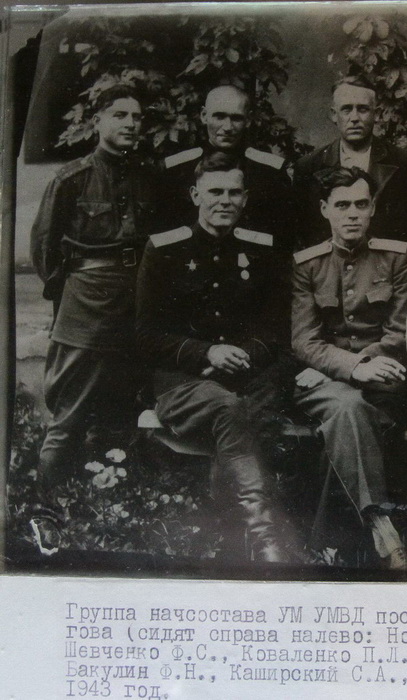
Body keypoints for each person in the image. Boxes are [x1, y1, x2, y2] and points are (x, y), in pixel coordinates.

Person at [136, 152, 294, 564]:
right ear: (195, 195)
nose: (224, 201)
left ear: (245, 198)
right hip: (183, 385)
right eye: (215, 192)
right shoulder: (164, 249)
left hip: (246, 376)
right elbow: (145, 335)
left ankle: (228, 543)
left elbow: (276, 329)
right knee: (229, 407)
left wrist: (243, 356)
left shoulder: (261, 250)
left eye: (233, 193)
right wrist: (206, 352)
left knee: (251, 410)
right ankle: (265, 538)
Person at [29, 85, 160, 552]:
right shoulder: (72, 178)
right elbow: (45, 250)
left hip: (136, 302)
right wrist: (72, 297)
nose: (130, 124)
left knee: (122, 407)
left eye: (136, 117)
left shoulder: (148, 177)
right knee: (70, 410)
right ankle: (44, 513)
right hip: (86, 304)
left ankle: (110, 508)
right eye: (119, 114)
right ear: (98, 121)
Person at [291, 166, 407, 569]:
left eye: (361, 205)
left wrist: (354, 366)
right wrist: (350, 367)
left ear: (373, 209)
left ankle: (329, 543)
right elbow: (304, 340)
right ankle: (384, 531)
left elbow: (401, 331)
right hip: (325, 382)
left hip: (382, 378)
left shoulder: (396, 258)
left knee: (351, 415)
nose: (352, 214)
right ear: (324, 209)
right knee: (348, 408)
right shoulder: (308, 264)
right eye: (342, 205)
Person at [292, 75, 407, 248]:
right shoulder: (309, 166)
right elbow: (303, 230)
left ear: (376, 114)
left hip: (385, 261)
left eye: (363, 109)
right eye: (346, 109)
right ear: (334, 115)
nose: (354, 118)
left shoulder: (403, 162)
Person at [159, 85, 293, 247]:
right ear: (204, 116)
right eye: (219, 117)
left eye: (236, 118)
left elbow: (283, 237)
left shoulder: (270, 170)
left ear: (248, 120)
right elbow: (163, 234)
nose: (228, 127)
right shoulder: (177, 168)